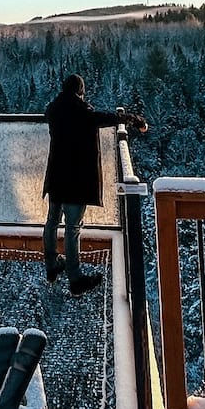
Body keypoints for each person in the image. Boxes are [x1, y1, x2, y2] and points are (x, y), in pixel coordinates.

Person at [42, 73, 147, 295]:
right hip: (76, 179)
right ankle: (75, 278)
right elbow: (108, 118)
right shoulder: (83, 113)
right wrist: (134, 120)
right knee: (72, 228)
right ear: (80, 90)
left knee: (52, 221)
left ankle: (51, 265)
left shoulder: (52, 110)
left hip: (56, 175)